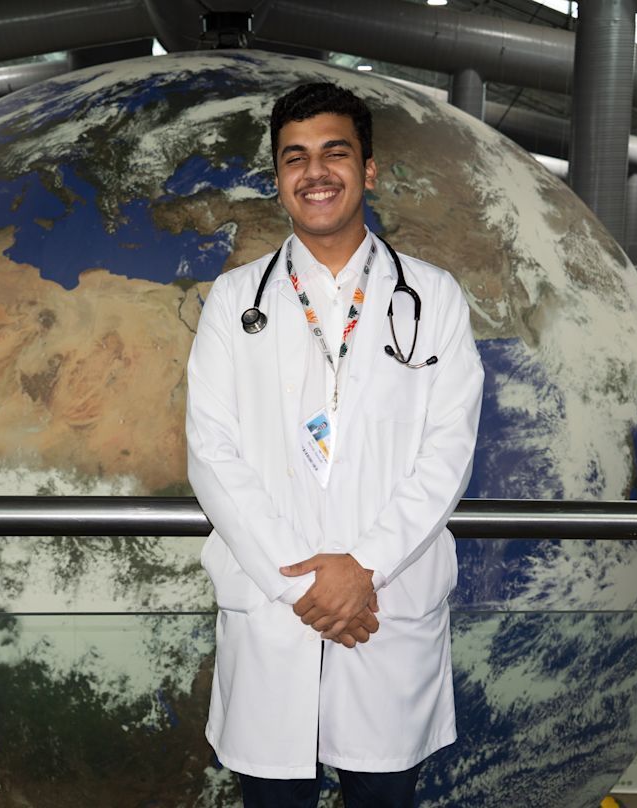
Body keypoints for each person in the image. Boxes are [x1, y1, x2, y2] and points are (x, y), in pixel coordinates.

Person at [185, 81, 484, 807]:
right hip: (276, 610)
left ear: (368, 169)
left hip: (383, 609)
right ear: (278, 179)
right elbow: (211, 454)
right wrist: (307, 588)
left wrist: (364, 569)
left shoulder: (433, 298)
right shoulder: (235, 302)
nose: (314, 172)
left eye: (334, 153)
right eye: (295, 158)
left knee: (383, 790)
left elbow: (448, 453)